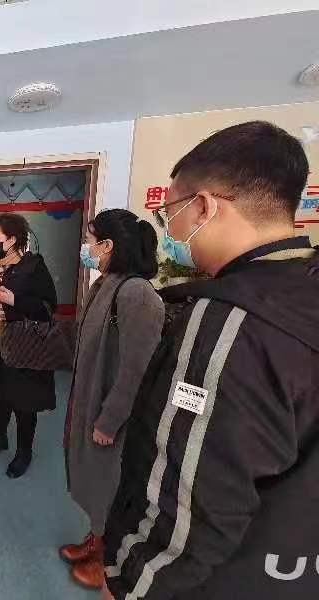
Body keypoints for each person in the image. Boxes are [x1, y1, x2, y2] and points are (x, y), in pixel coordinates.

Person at [102, 121, 319, 600]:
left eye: (170, 214)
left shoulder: (226, 320)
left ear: (203, 206)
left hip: (222, 577)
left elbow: (191, 493)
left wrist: (132, 582)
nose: (170, 231)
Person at [58, 209, 164, 589]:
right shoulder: (105, 284)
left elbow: (136, 370)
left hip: (113, 413)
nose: (86, 247)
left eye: (90, 241)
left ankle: (108, 557)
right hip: (90, 400)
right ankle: (96, 537)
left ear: (107, 245)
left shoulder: (137, 294)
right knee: (92, 477)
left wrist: (109, 419)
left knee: (110, 482)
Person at [0, 213, 57, 478]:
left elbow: (47, 308)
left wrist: (15, 300)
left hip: (23, 346)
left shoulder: (33, 267)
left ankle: (24, 453)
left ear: (12, 240)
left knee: (24, 403)